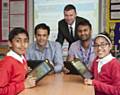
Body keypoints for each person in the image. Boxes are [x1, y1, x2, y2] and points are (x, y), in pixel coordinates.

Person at [0, 27, 36, 95]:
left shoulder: (22, 57)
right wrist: (23, 85)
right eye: (18, 41)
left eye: (25, 41)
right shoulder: (6, 64)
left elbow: (16, 77)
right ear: (10, 43)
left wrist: (25, 72)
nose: (22, 45)